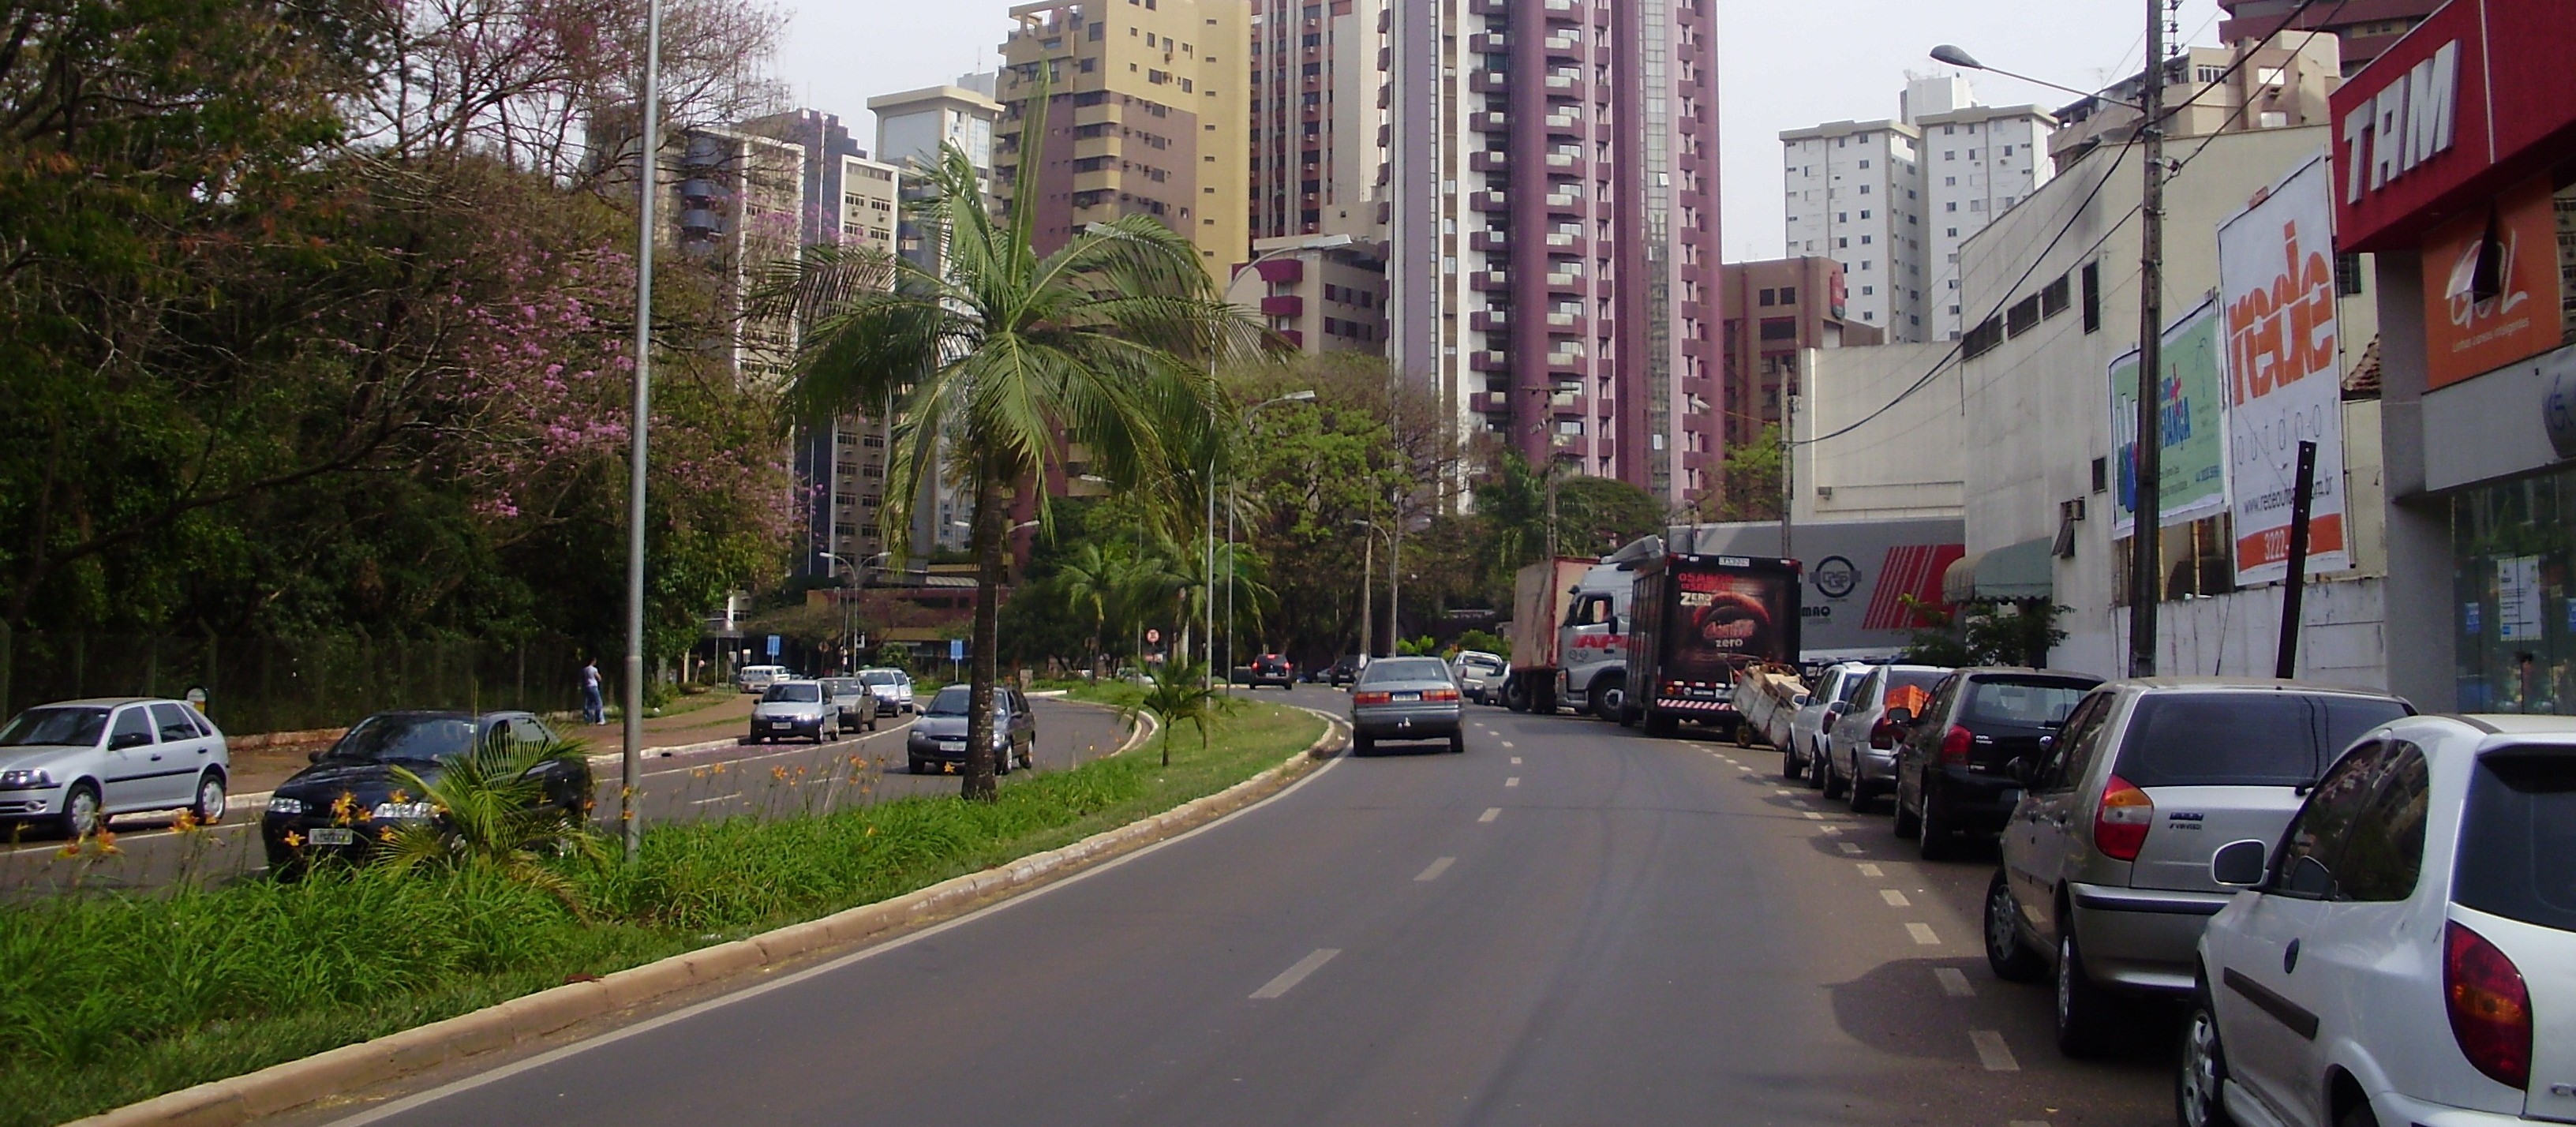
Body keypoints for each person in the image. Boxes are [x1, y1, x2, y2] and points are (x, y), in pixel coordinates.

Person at [581, 658, 605, 724]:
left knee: (589, 704)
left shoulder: (585, 669)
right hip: (594, 686)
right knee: (598, 703)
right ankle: (600, 719)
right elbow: (599, 677)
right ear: (593, 661)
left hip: (587, 687)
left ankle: (589, 719)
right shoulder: (594, 669)